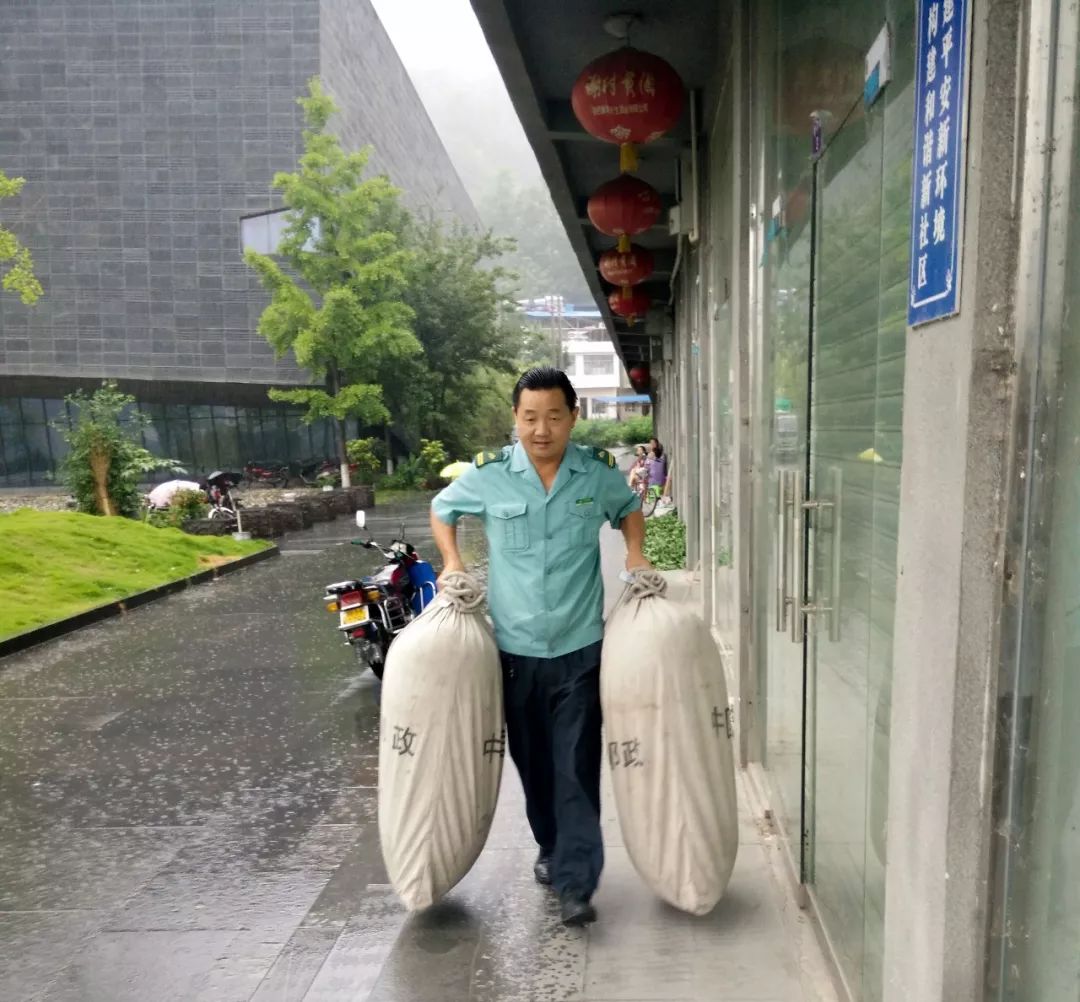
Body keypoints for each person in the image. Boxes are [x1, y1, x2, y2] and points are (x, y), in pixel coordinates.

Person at [430, 367, 652, 927]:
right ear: (516, 419)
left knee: (575, 764)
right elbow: (442, 508)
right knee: (534, 765)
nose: (542, 429)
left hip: (580, 648)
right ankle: (551, 847)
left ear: (573, 417)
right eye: (530, 417)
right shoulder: (489, 476)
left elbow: (628, 508)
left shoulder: (594, 475)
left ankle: (577, 882)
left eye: (554, 416)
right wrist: (453, 560)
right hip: (515, 651)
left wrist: (634, 553)